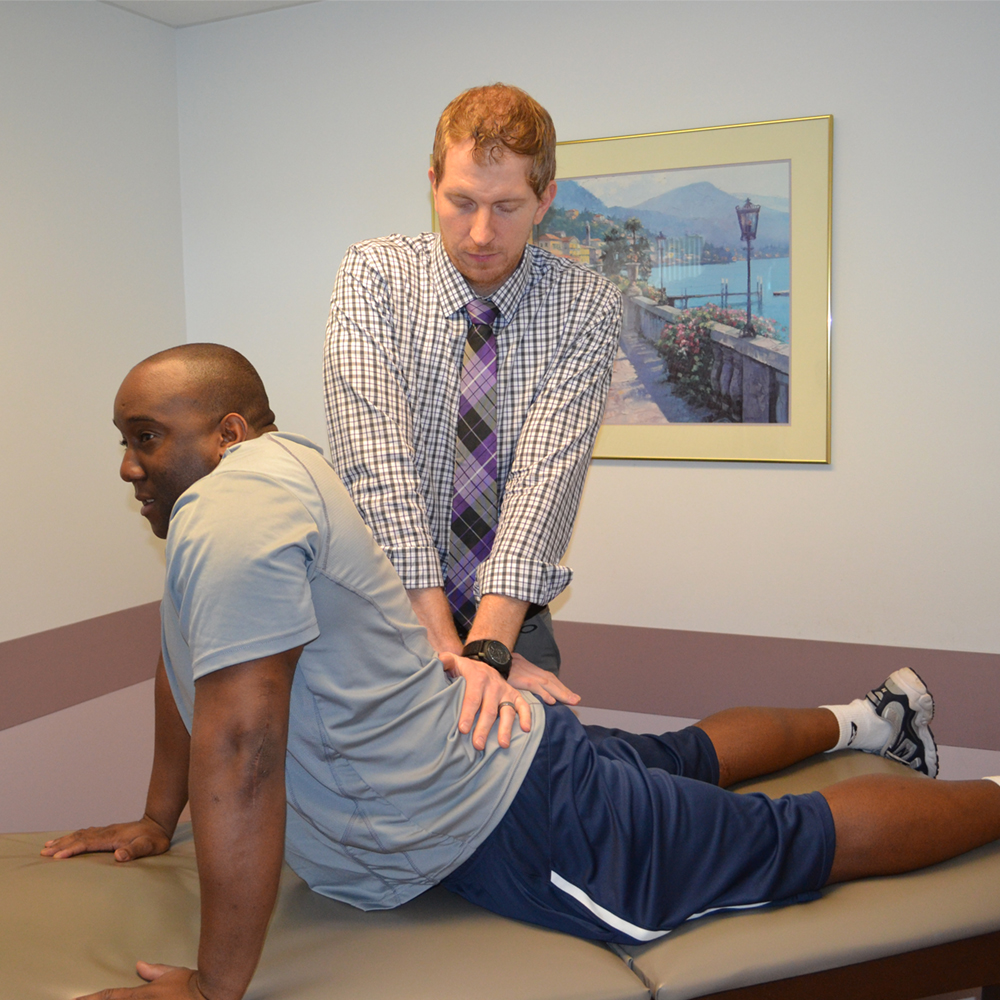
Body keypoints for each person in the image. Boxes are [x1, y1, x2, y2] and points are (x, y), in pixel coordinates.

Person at [45, 344, 1000, 1000]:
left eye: (144, 436)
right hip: (502, 751)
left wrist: (216, 989)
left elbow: (246, 747)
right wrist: (154, 818)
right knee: (680, 755)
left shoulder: (233, 507)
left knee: (783, 840)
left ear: (229, 429)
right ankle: (872, 720)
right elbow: (190, 670)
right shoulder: (243, 501)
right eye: (125, 440)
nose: (128, 467)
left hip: (515, 819)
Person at [323, 83, 622, 698]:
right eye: (461, 201)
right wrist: (436, 644)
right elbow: (376, 465)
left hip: (510, 615)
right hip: (385, 606)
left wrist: (485, 653)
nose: (481, 233)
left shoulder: (585, 304)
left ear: (546, 200)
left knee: (533, 783)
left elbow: (547, 480)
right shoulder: (374, 276)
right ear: (432, 182)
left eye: (507, 206)